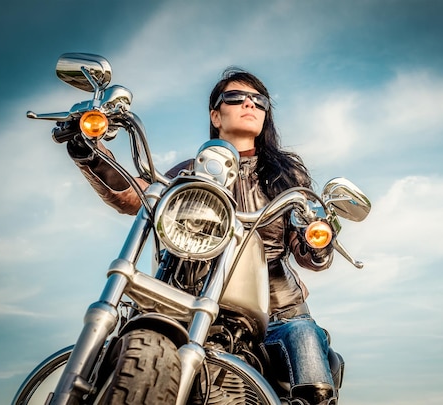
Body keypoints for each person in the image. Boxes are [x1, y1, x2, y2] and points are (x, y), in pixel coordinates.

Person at [67, 67, 341, 405]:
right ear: (216, 114)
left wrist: (319, 242)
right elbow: (136, 195)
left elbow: (305, 247)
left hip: (277, 312)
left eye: (259, 100)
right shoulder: (189, 171)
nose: (249, 104)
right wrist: (92, 155)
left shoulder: (287, 175)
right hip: (189, 300)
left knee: (305, 340)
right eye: (236, 97)